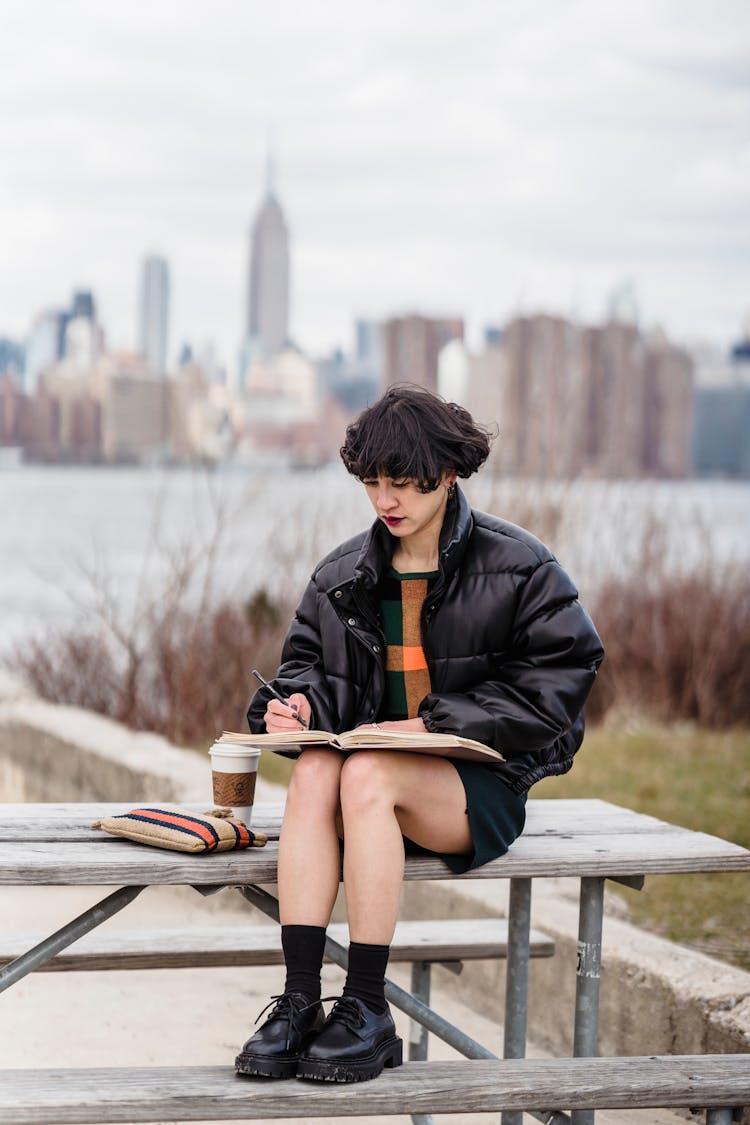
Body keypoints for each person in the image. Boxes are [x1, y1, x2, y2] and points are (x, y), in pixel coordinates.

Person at [235, 384, 604, 1084]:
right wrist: (296, 708)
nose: (386, 499)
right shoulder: (343, 574)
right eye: (373, 482)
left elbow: (564, 673)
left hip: (476, 786)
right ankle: (299, 1001)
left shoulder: (519, 565)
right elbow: (305, 670)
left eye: (403, 482)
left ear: (448, 474)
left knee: (367, 770)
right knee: (317, 767)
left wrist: (432, 723)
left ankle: (368, 1008)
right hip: (362, 790)